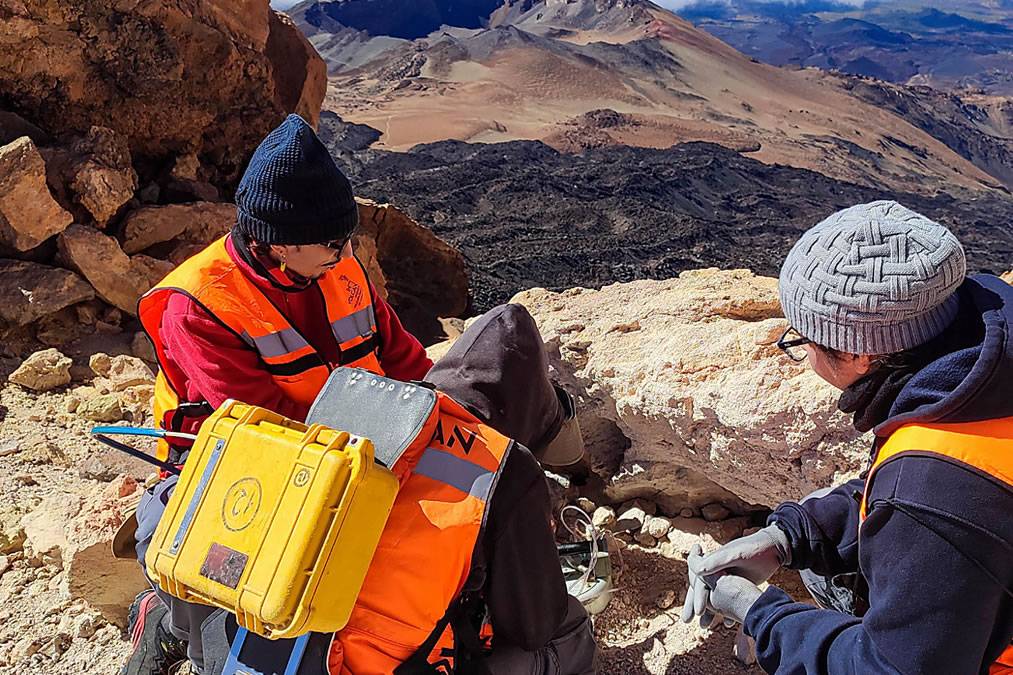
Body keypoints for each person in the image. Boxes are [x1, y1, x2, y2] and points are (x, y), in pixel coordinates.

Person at [122, 114, 433, 675]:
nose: (346, 253)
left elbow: (404, 361)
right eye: (333, 242)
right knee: (243, 601)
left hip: (354, 447)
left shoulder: (339, 269)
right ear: (279, 243)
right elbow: (265, 430)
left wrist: (433, 420)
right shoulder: (198, 304)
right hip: (238, 466)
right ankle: (170, 624)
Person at [681, 200, 1013, 674]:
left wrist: (760, 614)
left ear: (860, 355)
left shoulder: (930, 487)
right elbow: (947, 489)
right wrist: (789, 536)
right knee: (821, 539)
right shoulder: (982, 367)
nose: (801, 352)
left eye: (802, 339)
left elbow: (891, 669)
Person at [197, 304, 599, 674]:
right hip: (364, 664)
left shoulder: (350, 406)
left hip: (258, 641)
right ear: (526, 406)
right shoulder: (506, 465)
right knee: (571, 632)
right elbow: (533, 625)